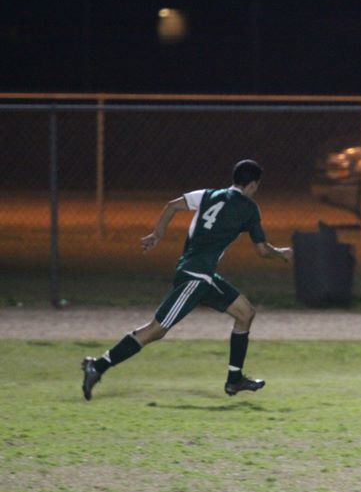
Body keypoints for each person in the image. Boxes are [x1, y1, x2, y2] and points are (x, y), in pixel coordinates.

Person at [80, 159, 292, 400]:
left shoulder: (208, 195)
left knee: (245, 313)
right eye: (257, 186)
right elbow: (262, 250)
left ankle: (234, 380)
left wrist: (157, 234)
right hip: (196, 277)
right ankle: (97, 366)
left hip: (201, 275)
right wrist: (282, 254)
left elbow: (172, 206)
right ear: (253, 184)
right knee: (156, 329)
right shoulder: (249, 208)